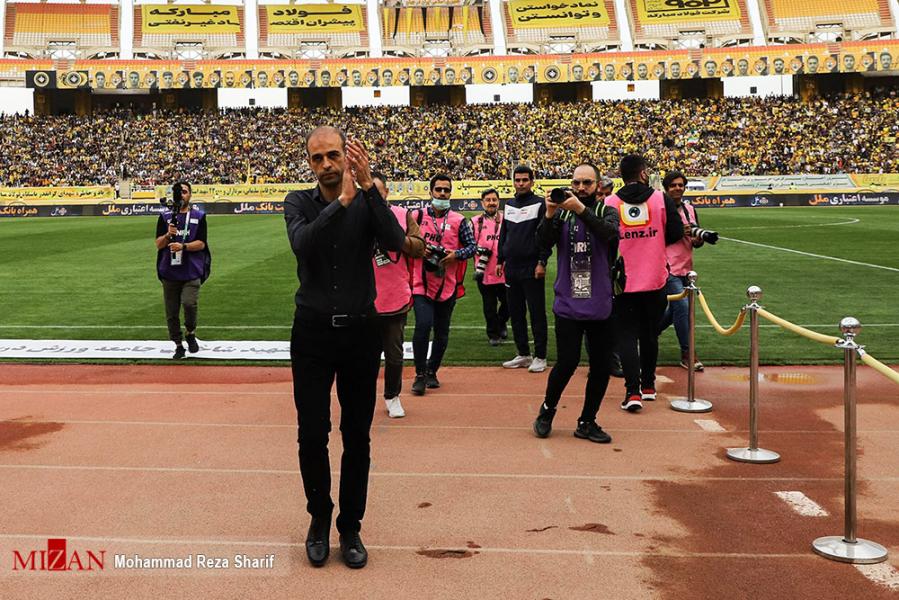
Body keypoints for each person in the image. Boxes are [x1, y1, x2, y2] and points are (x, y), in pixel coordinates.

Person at [284, 127, 405, 569]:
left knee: (357, 436)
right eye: (318, 158)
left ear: (347, 157)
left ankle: (350, 526)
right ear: (309, 163)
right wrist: (342, 204)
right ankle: (319, 518)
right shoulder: (298, 203)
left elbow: (395, 242)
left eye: (333, 155)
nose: (326, 165)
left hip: (360, 333)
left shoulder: (368, 200)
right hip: (312, 334)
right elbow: (302, 244)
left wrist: (369, 188)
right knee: (312, 434)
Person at [532, 164, 620, 443]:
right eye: (576, 183)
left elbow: (610, 235)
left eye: (587, 183)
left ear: (598, 185)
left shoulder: (606, 211)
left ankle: (587, 421)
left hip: (600, 302)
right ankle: (547, 410)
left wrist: (581, 210)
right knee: (566, 363)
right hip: (569, 302)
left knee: (601, 366)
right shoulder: (562, 214)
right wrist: (549, 213)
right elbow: (541, 243)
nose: (581, 188)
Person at [604, 155, 683, 413]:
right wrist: (653, 241)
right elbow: (676, 233)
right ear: (642, 173)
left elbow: (606, 239)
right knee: (650, 334)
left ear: (621, 175)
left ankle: (632, 392)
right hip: (655, 278)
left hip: (624, 281)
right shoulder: (660, 199)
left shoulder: (610, 202)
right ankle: (648, 386)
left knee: (626, 336)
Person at [409, 174, 476, 396]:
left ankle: (432, 371)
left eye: (446, 190)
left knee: (442, 333)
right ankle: (419, 374)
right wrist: (420, 249)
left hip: (447, 285)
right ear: (430, 192)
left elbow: (472, 247)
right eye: (438, 189)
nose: (442, 194)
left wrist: (456, 254)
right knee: (422, 326)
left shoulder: (459, 220)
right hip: (421, 282)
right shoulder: (417, 217)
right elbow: (404, 242)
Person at [371, 172, 425, 418]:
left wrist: (397, 238)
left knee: (394, 355)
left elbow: (419, 247)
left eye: (377, 191)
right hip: (362, 299)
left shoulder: (402, 215)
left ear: (386, 192)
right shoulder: (355, 216)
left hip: (395, 297)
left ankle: (392, 396)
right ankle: (363, 397)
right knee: (364, 356)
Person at [498, 165, 550, 373]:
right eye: (517, 180)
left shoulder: (540, 204)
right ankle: (523, 354)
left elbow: (545, 236)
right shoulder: (509, 204)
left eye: (524, 180)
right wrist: (500, 259)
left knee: (537, 313)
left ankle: (541, 356)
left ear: (532, 182)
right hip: (511, 267)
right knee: (516, 313)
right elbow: (504, 233)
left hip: (531, 266)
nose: (520, 184)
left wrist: (542, 261)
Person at [658, 171, 709, 372]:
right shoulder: (660, 209)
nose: (678, 188)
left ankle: (648, 333)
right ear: (666, 188)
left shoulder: (690, 209)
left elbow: (695, 241)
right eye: (673, 185)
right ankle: (688, 353)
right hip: (668, 267)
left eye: (681, 185)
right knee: (682, 307)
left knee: (675, 311)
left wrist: (698, 240)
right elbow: (655, 238)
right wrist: (680, 232)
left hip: (687, 268)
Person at [154, 182, 211, 359]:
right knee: (171, 312)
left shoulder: (199, 216)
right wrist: (168, 235)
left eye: (185, 192)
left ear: (190, 194)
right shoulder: (165, 217)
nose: (182, 195)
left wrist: (183, 246)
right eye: (179, 192)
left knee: (189, 303)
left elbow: (201, 243)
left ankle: (190, 332)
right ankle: (178, 344)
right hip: (169, 272)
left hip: (191, 270)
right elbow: (158, 244)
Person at [473, 188, 508, 346]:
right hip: (484, 272)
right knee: (489, 306)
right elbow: (469, 244)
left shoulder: (507, 220)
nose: (491, 203)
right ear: (482, 203)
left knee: (509, 303)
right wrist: (479, 250)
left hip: (505, 271)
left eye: (494, 200)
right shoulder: (475, 222)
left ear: (498, 202)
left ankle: (501, 322)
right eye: (488, 200)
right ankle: (493, 334)